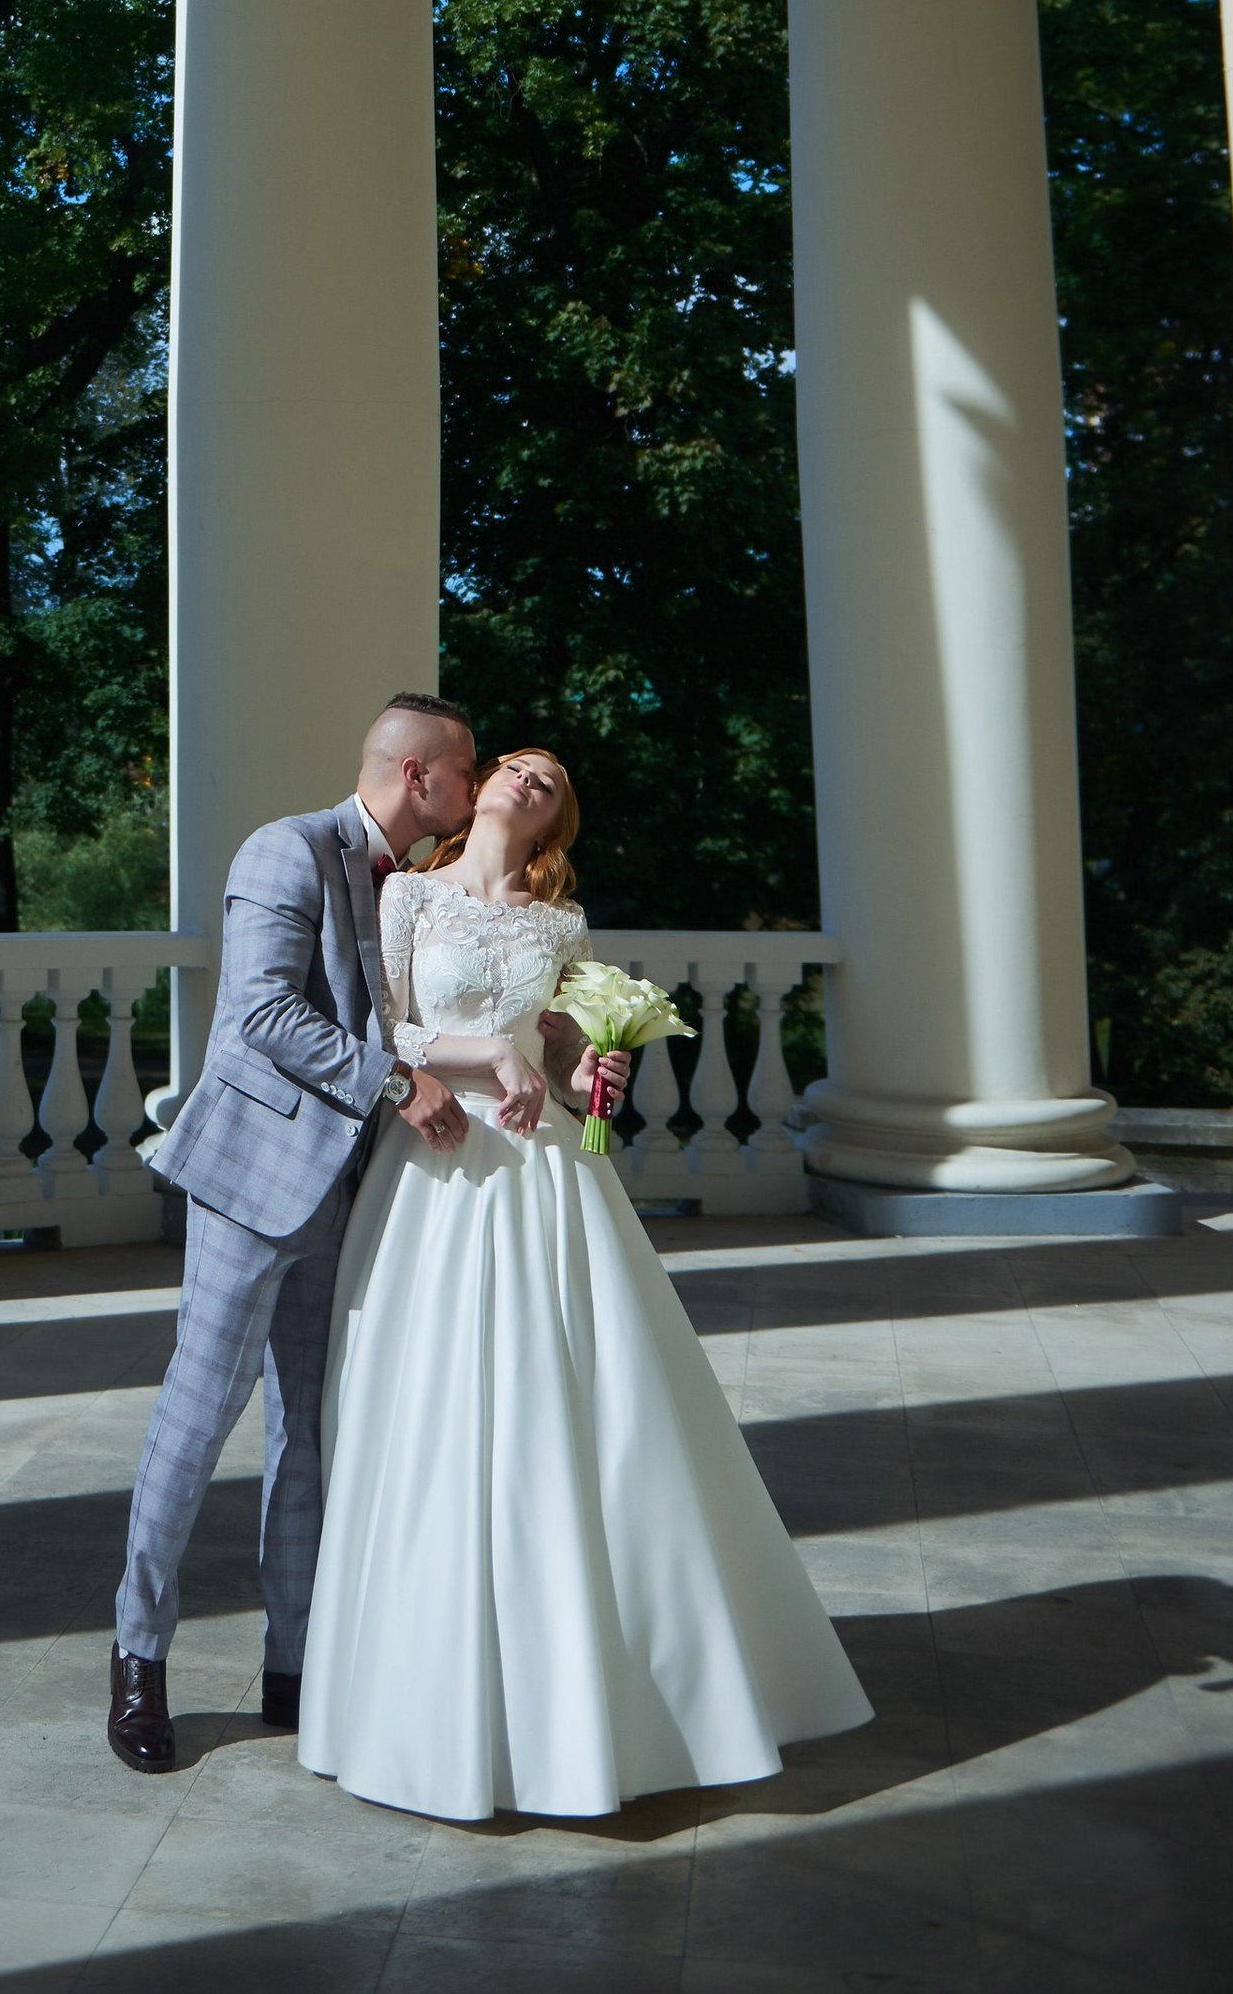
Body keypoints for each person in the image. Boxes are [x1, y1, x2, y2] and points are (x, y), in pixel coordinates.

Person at [297, 746, 873, 1820]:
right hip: (434, 1164)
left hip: (545, 1170)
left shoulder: (562, 924)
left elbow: (562, 1061)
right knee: (431, 1408)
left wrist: (589, 1070)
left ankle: (610, 1690)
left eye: (550, 781)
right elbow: (382, 1029)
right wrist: (486, 1056)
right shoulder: (408, 893)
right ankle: (420, 1702)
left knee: (572, 1405)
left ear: (556, 824)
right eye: (516, 764)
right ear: (477, 787)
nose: (528, 778)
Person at [107, 694, 482, 1775]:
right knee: (196, 1421)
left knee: (307, 1435)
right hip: (252, 1181)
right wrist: (395, 1080)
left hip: (350, 1196)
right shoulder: (288, 848)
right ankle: (138, 1655)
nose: (472, 786)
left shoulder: (418, 882)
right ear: (417, 775)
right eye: (465, 769)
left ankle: (294, 1662)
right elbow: (260, 1014)